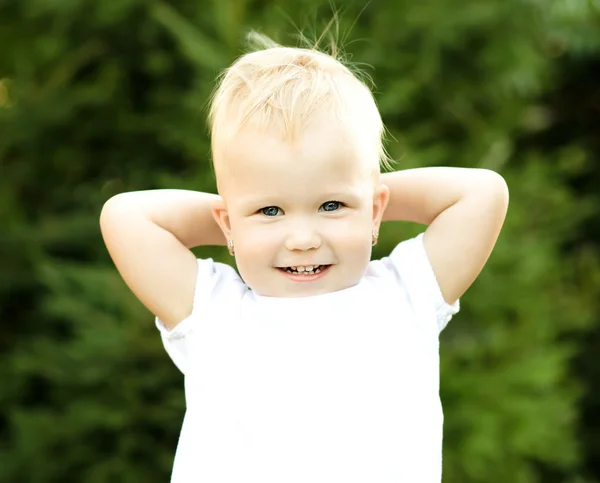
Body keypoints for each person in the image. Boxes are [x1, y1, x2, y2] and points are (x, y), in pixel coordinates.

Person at [100, 32, 509, 483]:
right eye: (270, 210)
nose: (301, 238)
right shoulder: (212, 310)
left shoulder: (404, 293)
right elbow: (125, 217)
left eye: (330, 207)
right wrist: (244, 217)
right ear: (227, 223)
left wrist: (358, 197)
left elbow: (483, 193)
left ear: (376, 209)